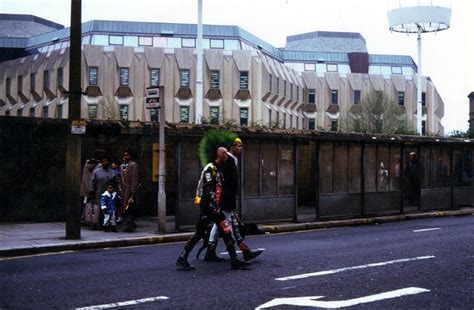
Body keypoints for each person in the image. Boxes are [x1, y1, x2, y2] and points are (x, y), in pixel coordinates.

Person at [176, 147, 251, 271]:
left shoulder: (219, 169)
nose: (226, 156)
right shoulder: (209, 169)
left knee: (226, 231)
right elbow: (208, 190)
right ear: (219, 154)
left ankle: (235, 260)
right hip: (208, 208)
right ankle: (182, 258)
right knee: (199, 233)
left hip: (216, 208)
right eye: (224, 154)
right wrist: (213, 206)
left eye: (227, 154)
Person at [204, 137, 263, 262]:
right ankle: (242, 252)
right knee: (230, 225)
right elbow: (226, 183)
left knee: (218, 224)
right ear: (232, 147)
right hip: (225, 199)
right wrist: (227, 200)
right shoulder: (228, 160)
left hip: (225, 198)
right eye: (238, 146)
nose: (240, 148)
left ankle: (210, 251)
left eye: (241, 146)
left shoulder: (231, 160)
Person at [119, 149, 140, 233]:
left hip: (130, 190)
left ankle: (130, 224)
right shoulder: (122, 166)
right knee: (125, 208)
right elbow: (120, 179)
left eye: (127, 155)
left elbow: (134, 179)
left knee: (130, 208)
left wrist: (133, 193)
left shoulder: (133, 165)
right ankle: (130, 223)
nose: (125, 157)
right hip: (124, 190)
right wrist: (120, 189)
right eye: (124, 155)